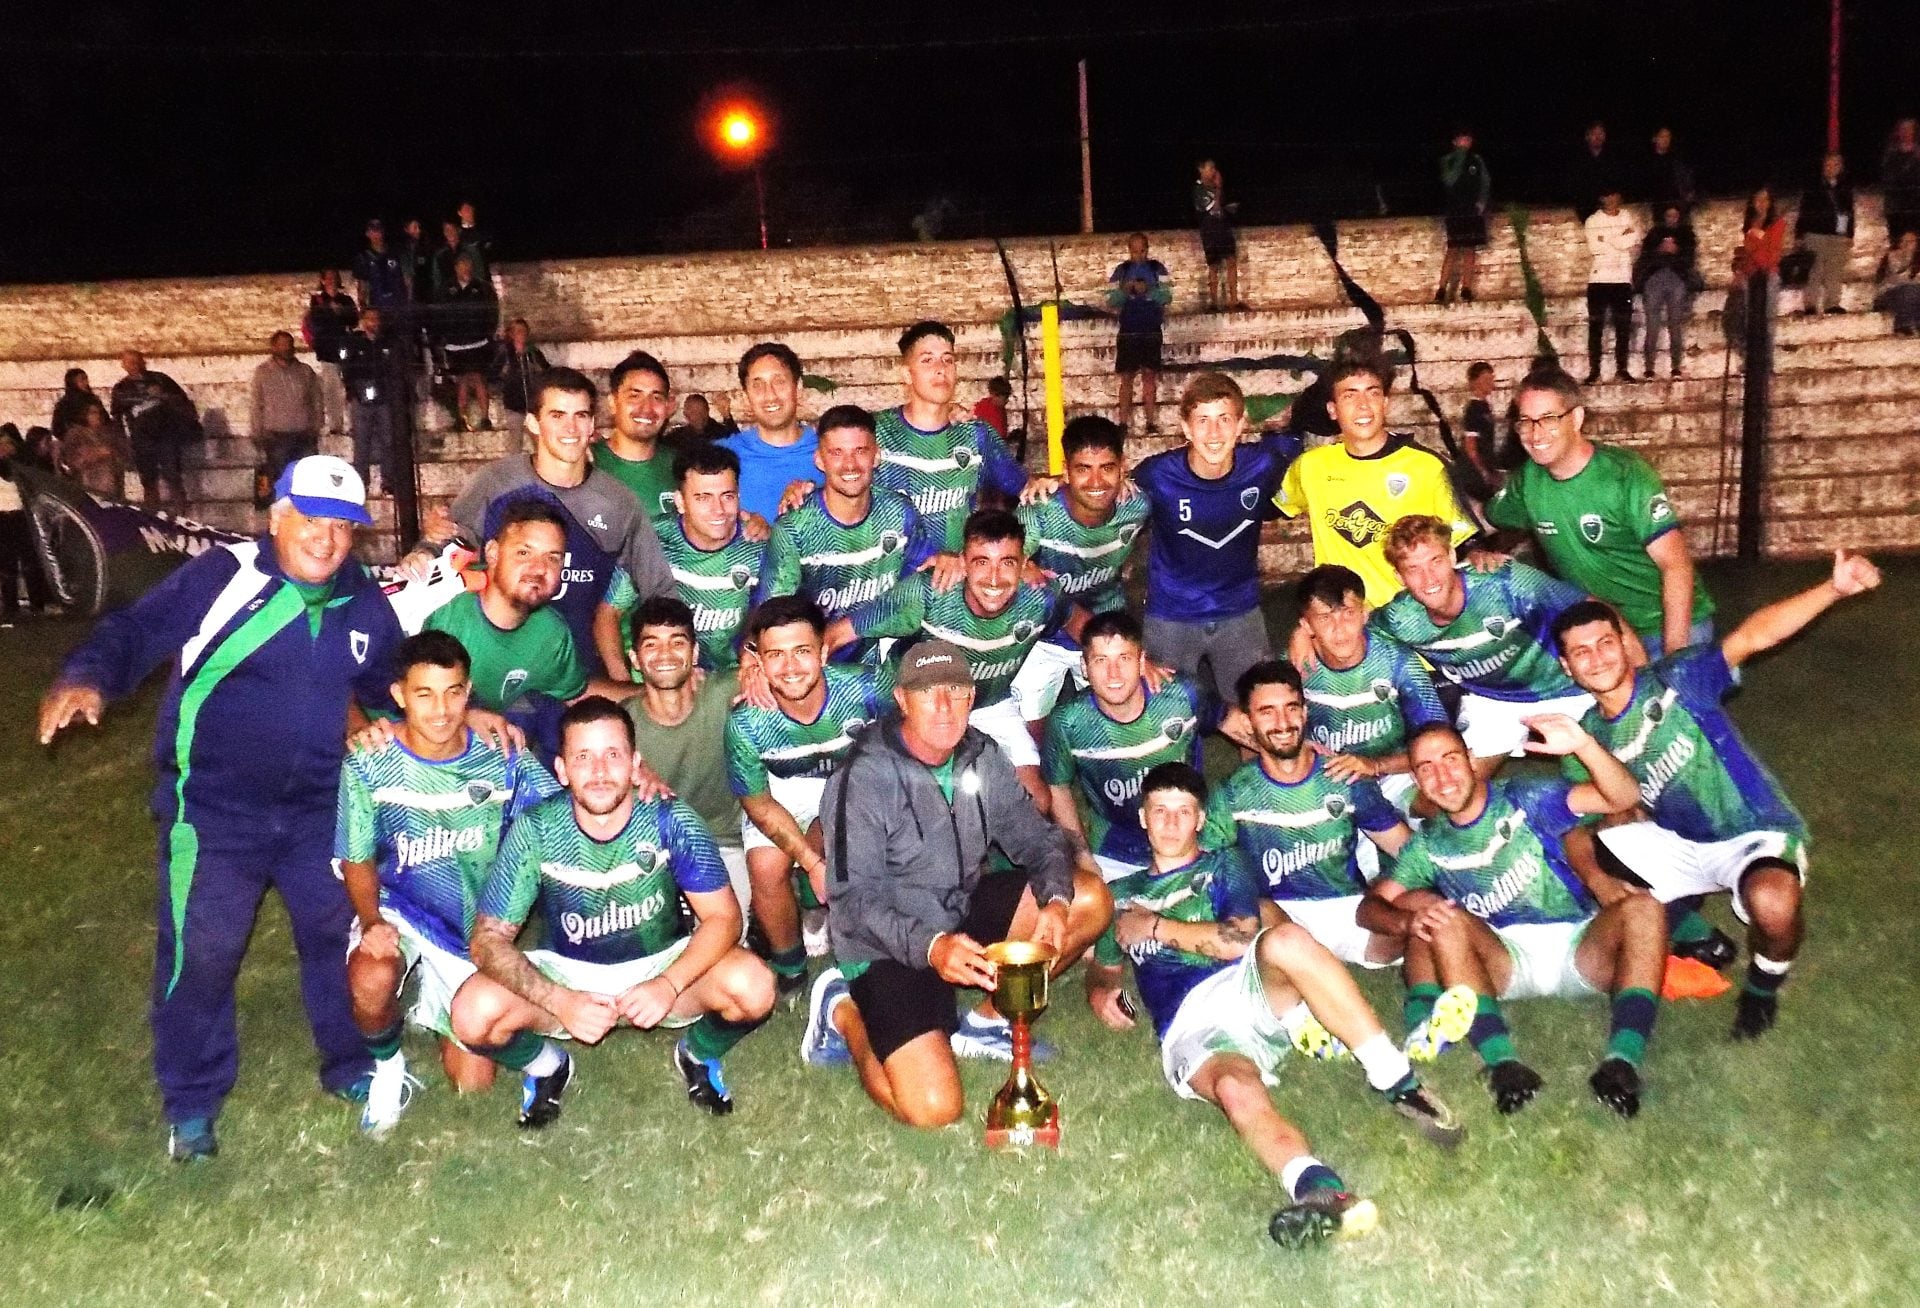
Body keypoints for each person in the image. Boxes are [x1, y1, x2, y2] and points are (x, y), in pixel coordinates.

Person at [37, 456, 426, 1161]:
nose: (326, 540)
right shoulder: (225, 575)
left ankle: (349, 1063)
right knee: (202, 950)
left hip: (318, 810)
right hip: (213, 810)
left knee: (332, 935)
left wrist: (452, 719)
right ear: (276, 517)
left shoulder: (361, 600)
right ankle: (191, 1102)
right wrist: (87, 675)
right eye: (311, 520)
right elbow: (136, 630)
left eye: (343, 528)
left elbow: (389, 683)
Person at [1086, 762, 1463, 1248]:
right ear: (1143, 817)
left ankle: (1396, 1079)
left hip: (1248, 985)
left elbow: (1239, 941)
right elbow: (1104, 965)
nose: (1173, 823)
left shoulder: (1224, 865)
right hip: (1190, 1023)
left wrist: (1157, 927)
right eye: (1161, 811)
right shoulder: (1121, 896)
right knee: (1231, 1086)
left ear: (1201, 819)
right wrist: (1098, 988)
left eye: (1185, 812)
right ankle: (1319, 1191)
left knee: (1284, 938)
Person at [1552, 549, 1882, 1040]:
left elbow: (1753, 636)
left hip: (1749, 830)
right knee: (1579, 857)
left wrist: (1833, 588)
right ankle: (1690, 931)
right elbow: (1579, 817)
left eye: (1605, 642)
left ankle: (1763, 987)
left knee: (1773, 903)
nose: (1597, 657)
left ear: (1624, 643)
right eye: (1582, 651)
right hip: (1678, 840)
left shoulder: (1676, 679)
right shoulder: (1583, 734)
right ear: (1567, 666)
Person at [800, 641, 1113, 1122]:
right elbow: (853, 901)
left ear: (972, 696)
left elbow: (1041, 838)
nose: (944, 705)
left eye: (955, 690)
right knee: (932, 1109)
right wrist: (932, 947)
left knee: (1086, 899)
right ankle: (842, 1010)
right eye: (928, 693)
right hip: (885, 942)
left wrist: (1052, 899)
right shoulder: (864, 776)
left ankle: (988, 1022)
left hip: (957, 907)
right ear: (902, 699)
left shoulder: (980, 755)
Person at [451, 698, 776, 1123]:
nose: (600, 771)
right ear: (562, 770)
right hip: (568, 976)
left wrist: (668, 984)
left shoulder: (670, 818)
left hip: (661, 964)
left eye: (613, 755)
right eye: (583, 757)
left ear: (635, 763)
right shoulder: (537, 827)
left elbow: (724, 918)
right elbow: (487, 941)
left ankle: (698, 1053)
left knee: (754, 986)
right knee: (471, 1013)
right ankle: (547, 1066)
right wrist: (560, 1000)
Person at [1356, 718, 1668, 1118]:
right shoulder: (1428, 843)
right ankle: (1503, 1064)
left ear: (1471, 760)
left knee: (1645, 908)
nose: (1442, 776)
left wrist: (1585, 745)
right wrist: (1405, 923)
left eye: (1450, 759)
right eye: (1426, 768)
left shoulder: (1526, 796)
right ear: (1416, 779)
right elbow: (1369, 909)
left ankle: (1622, 1063)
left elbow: (1621, 796)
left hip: (1580, 945)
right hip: (1503, 961)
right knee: (1443, 918)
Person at [335, 631, 562, 1136]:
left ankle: (436, 998)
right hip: (400, 908)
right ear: (399, 696)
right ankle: (389, 1068)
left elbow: (560, 820)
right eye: (424, 694)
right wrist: (372, 922)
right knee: (371, 976)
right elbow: (356, 858)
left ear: (469, 691)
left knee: (471, 1083)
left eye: (453, 692)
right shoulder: (370, 761)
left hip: (468, 928)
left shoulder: (503, 755)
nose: (440, 710)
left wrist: (639, 784)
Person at [406, 367, 672, 661]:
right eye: (557, 416)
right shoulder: (496, 482)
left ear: (593, 424)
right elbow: (450, 546)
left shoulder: (618, 502)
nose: (571, 429)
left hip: (577, 668)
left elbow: (659, 587)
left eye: (580, 416)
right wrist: (424, 550)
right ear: (533, 423)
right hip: (496, 662)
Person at [826, 508, 1084, 806]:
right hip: (921, 708)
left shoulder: (1039, 596)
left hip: (990, 705)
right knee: (927, 805)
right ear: (963, 562)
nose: (994, 578)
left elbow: (1076, 620)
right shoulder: (929, 592)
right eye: (981, 562)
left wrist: (1125, 656)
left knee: (1037, 802)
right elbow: (838, 635)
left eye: (1008, 563)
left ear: (1025, 564)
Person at [726, 596, 891, 995]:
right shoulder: (746, 721)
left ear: (822, 651)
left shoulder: (866, 687)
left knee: (847, 845)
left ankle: (862, 953)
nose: (790, 667)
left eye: (801, 651)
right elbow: (758, 803)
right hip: (783, 789)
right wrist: (812, 864)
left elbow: (903, 751)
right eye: (775, 655)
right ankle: (790, 963)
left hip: (852, 780)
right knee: (766, 867)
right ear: (758, 663)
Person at [1486, 367, 1713, 657]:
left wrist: (1676, 656)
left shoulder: (1626, 476)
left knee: (1677, 700)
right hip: (1603, 630)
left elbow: (1676, 565)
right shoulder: (1527, 481)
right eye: (1526, 421)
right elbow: (1486, 519)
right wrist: (1479, 550)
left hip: (1667, 625)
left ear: (1577, 418)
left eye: (1548, 418)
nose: (1535, 433)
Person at [1204, 661, 1413, 969]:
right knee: (1251, 922)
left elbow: (1405, 847)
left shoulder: (1344, 777)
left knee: (1421, 915)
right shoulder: (1233, 793)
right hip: (1277, 916)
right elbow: (1205, 866)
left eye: (1291, 708)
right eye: (1267, 712)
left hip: (1347, 910)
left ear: (1304, 713)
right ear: (1248, 723)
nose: (1283, 722)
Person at [1373, 514, 1599, 771]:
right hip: (1493, 701)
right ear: (1399, 577)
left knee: (1606, 773)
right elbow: (1355, 633)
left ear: (1451, 557)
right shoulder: (1400, 618)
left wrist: (1638, 679)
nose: (1429, 579)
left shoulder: (1505, 582)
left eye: (1435, 561)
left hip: (1562, 686)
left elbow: (1591, 607)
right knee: (1456, 783)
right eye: (1413, 569)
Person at [1131, 372, 1300, 704]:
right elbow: (1106, 496)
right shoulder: (1157, 475)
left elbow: (1297, 453)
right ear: (1186, 428)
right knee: (1166, 710)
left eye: (1224, 419)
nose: (1213, 433)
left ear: (1240, 425)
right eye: (1203, 420)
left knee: (1255, 708)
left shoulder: (1263, 465)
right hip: (1172, 613)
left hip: (1240, 610)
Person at [1273, 360, 1478, 607]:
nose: (1363, 406)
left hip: (1408, 616)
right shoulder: (1310, 467)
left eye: (1373, 393)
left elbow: (1464, 543)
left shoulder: (1427, 466)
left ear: (1385, 403)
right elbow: (1267, 508)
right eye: (1350, 396)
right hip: (1345, 619)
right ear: (1332, 409)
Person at [1043, 610, 1216, 884]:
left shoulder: (1183, 695)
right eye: (1101, 660)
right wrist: (1082, 855)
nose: (1114, 674)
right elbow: (1057, 786)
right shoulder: (1068, 722)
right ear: (1085, 668)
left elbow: (1234, 722)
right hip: (1114, 850)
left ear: (1141, 661)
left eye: (1124, 658)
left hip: (1189, 840)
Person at [755, 403, 935, 660]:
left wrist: (946, 560)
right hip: (818, 669)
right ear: (819, 460)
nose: (850, 464)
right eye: (837, 452)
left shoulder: (899, 512)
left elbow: (921, 587)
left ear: (877, 456)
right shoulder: (795, 529)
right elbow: (772, 619)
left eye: (860, 451)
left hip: (886, 666)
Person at [620, 597, 753, 920]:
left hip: (725, 843)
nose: (665, 654)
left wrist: (757, 674)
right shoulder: (620, 726)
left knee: (727, 936)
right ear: (635, 659)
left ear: (694, 654)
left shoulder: (724, 691)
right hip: (655, 849)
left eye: (677, 643)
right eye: (651, 645)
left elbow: (781, 669)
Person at [1010, 415, 1149, 721]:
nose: (1097, 482)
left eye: (1107, 468)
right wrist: (1021, 567)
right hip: (1042, 636)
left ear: (1122, 466)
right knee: (1032, 729)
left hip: (1108, 632)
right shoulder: (1039, 512)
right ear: (1068, 470)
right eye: (1083, 469)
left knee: (1119, 721)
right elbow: (1006, 560)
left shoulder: (1136, 505)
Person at [1293, 565, 1448, 826]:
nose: (1339, 629)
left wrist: (1374, 766)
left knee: (1444, 799)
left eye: (1348, 614)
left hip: (1396, 770)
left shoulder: (1397, 661)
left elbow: (1440, 742)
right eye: (1325, 618)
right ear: (1306, 625)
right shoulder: (1293, 668)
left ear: (1365, 614)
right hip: (1331, 780)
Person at [596, 442, 766, 676]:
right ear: (680, 501)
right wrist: (625, 687)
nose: (718, 510)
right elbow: (608, 614)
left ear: (739, 496)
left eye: (727, 496)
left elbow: (771, 619)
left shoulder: (757, 545)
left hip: (730, 679)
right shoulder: (651, 541)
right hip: (660, 679)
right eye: (703, 498)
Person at [869, 321, 1030, 552]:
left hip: (957, 581)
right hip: (894, 582)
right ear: (907, 374)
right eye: (927, 360)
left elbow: (1024, 488)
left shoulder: (976, 435)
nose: (940, 368)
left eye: (948, 359)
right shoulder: (875, 432)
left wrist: (1022, 556)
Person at [719, 342, 820, 524]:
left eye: (779, 382)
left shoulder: (831, 453)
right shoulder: (720, 457)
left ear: (798, 388)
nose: (770, 395)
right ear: (745, 396)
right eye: (758, 385)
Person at [593, 351, 680, 520]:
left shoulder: (682, 467)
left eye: (656, 397)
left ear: (668, 406)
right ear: (612, 403)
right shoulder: (586, 464)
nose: (647, 408)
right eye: (634, 396)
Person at [109, 349, 196, 510]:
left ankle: (182, 514)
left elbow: (181, 399)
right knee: (148, 480)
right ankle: (152, 516)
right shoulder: (121, 388)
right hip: (141, 438)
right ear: (123, 365)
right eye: (129, 362)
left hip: (166, 434)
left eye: (136, 361)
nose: (134, 365)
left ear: (143, 362)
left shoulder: (160, 379)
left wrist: (162, 396)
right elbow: (117, 415)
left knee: (173, 475)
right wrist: (122, 442)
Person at [1108, 233, 1172, 433]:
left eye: (1142, 250)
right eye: (1135, 251)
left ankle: (1151, 422)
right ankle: (1123, 423)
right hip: (1128, 330)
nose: (1139, 255)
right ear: (1129, 250)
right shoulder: (1121, 271)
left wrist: (1149, 290)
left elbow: (1167, 296)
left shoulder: (1157, 269)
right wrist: (1125, 291)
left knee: (1149, 377)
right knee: (1126, 378)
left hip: (1151, 329)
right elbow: (1111, 300)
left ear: (1147, 249)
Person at [339, 307, 403, 495]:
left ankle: (388, 481)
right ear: (363, 320)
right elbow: (346, 369)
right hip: (360, 398)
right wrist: (353, 391)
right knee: (361, 442)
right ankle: (361, 483)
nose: (373, 322)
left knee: (389, 440)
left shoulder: (389, 342)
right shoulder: (353, 342)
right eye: (369, 319)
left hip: (384, 397)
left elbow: (395, 369)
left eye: (376, 319)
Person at [249, 330, 323, 487]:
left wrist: (316, 427)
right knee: (281, 483)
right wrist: (257, 432)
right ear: (273, 347)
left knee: (307, 482)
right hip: (276, 437)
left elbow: (316, 400)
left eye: (289, 344)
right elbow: (257, 403)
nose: (286, 348)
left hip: (304, 436)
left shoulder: (305, 371)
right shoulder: (263, 372)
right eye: (281, 344)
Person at [1583, 189, 1641, 384]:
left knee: (1623, 327)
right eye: (1607, 195)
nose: (1611, 199)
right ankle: (1594, 371)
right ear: (1601, 198)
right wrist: (1620, 237)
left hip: (1622, 279)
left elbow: (1634, 239)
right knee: (1596, 327)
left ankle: (1622, 369)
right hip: (1599, 279)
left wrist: (1608, 239)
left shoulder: (1628, 217)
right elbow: (1595, 248)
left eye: (1614, 194)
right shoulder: (1593, 221)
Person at [1635, 204, 1699, 379]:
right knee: (1652, 325)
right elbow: (1645, 257)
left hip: (1677, 278)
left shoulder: (1686, 235)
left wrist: (1676, 251)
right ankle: (1649, 367)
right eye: (1668, 215)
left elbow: (1689, 259)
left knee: (1675, 324)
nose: (1671, 219)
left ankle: (1676, 367)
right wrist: (1659, 250)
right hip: (1655, 278)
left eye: (1674, 215)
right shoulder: (1654, 234)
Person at [437, 253, 500, 430]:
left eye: (468, 265)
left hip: (478, 341)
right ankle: (461, 418)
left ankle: (485, 418)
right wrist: (443, 335)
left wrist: (488, 332)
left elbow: (492, 311)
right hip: (455, 343)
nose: (465, 268)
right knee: (462, 380)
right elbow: (439, 314)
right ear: (456, 267)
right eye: (461, 265)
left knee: (478, 378)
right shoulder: (446, 289)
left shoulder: (481, 287)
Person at [1794, 152, 1855, 316]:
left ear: (1841, 167)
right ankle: (1811, 304)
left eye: (1836, 165)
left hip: (1837, 234)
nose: (1832, 168)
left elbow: (1849, 211)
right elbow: (1804, 210)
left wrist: (1850, 233)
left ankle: (1833, 303)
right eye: (1829, 164)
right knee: (1814, 269)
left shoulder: (1845, 186)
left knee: (1835, 269)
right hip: (1815, 233)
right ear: (1823, 166)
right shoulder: (1813, 185)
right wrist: (1799, 234)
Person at [1436, 130, 1491, 305]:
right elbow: (1449, 179)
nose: (1466, 142)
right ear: (1455, 141)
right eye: (1462, 139)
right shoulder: (1447, 160)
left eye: (1468, 138)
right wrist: (1460, 155)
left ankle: (1466, 288)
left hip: (1472, 209)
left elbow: (1486, 181)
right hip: (1454, 210)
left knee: (1470, 248)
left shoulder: (1477, 160)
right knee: (1453, 248)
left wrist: (1482, 201)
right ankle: (1441, 289)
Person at [303, 270, 358, 436]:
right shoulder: (317, 300)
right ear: (322, 280)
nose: (331, 281)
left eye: (334, 278)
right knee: (331, 388)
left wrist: (340, 312)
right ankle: (336, 424)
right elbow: (315, 320)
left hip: (346, 346)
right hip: (327, 348)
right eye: (328, 278)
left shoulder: (346, 300)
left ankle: (353, 423)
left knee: (351, 386)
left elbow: (354, 319)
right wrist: (331, 311)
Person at [56, 400, 131, 500]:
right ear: (84, 414)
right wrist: (98, 453)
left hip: (113, 486)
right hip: (90, 486)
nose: (97, 416)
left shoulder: (106, 433)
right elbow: (74, 461)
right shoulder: (76, 434)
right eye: (93, 413)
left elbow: (121, 454)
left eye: (99, 412)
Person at [1193, 159, 1241, 311]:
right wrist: (1219, 188)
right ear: (1201, 169)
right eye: (1210, 168)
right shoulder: (1199, 189)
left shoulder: (1213, 188)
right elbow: (1213, 209)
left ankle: (1234, 300)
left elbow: (1221, 208)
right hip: (1210, 231)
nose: (1213, 171)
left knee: (1231, 261)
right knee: (1213, 265)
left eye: (1214, 168)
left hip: (1223, 228)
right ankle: (1214, 303)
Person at [1742, 188, 1789, 323]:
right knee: (1749, 314)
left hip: (1769, 271)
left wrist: (1759, 237)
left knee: (1768, 316)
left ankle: (1767, 343)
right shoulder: (1750, 223)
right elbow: (1748, 249)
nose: (1761, 204)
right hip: (1751, 271)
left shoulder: (1777, 223)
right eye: (1758, 200)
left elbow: (1774, 249)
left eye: (1765, 200)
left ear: (1770, 202)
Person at [494, 318, 550, 424]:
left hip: (533, 401)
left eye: (524, 331)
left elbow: (546, 371)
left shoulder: (533, 352)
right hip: (513, 403)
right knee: (516, 437)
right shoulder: (505, 353)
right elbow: (495, 374)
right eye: (518, 331)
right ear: (511, 334)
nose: (522, 334)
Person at [1566, 120, 1624, 222]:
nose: (1598, 137)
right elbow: (1575, 185)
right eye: (1594, 133)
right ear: (1587, 136)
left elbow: (1618, 179)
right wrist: (1598, 197)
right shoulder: (1578, 158)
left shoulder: (1613, 156)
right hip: (1586, 208)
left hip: (1610, 207)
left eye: (1601, 133)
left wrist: (1613, 196)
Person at [1879, 117, 1920, 245]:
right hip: (1896, 206)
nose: (1906, 132)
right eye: (1903, 128)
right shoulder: (1891, 152)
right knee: (1896, 243)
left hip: (1916, 206)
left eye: (1910, 129)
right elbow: (1886, 178)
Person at [352, 219, 409, 312]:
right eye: (372, 231)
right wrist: (363, 308)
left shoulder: (395, 253)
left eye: (378, 230)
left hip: (398, 305)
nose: (376, 234)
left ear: (383, 231)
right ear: (367, 233)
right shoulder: (363, 258)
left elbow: (406, 280)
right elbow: (362, 287)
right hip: (376, 306)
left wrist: (407, 302)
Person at [1642, 126, 1697, 216]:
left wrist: (1688, 195)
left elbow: (1687, 177)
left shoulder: (1677, 158)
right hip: (1655, 204)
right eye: (1662, 136)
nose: (1665, 139)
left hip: (1677, 203)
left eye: (1668, 136)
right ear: (1654, 139)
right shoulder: (1648, 160)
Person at [1874, 230, 1920, 335]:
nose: (1907, 244)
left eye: (1911, 241)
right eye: (1904, 241)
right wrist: (1907, 255)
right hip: (1889, 294)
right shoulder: (1893, 256)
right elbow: (1898, 277)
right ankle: (1902, 325)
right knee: (1910, 290)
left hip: (1911, 294)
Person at [51, 367, 109, 443]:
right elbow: (57, 429)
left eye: (86, 379)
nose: (86, 383)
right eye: (82, 380)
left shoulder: (93, 400)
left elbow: (105, 420)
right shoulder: (64, 404)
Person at [670, 393, 735, 444]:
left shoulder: (722, 433)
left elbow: (739, 446)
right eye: (690, 411)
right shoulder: (678, 437)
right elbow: (661, 448)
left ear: (706, 411)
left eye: (696, 411)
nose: (687, 414)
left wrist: (727, 416)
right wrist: (666, 418)